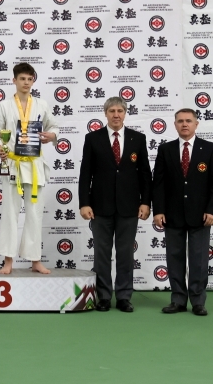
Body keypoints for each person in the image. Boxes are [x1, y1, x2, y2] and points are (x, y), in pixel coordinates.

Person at [78, 97, 151, 312]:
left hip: (129, 206)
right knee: (101, 253)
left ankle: (124, 297)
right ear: (105, 113)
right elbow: (85, 174)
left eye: (120, 110)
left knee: (125, 253)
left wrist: (145, 202)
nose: (116, 115)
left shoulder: (138, 138)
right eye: (112, 111)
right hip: (100, 206)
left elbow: (145, 174)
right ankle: (103, 296)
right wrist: (84, 203)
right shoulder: (93, 138)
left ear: (125, 113)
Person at [0, 62, 58, 274]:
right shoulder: (4, 106)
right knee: (9, 213)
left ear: (33, 81)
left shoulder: (41, 105)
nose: (26, 83)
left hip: (35, 164)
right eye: (22, 79)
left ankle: (35, 259)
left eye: (30, 79)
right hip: (13, 164)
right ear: (14, 80)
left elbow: (54, 127)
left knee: (35, 214)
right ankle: (8, 260)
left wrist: (51, 136)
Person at [153, 109, 213, 316]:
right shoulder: (166, 149)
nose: (184, 124)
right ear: (175, 124)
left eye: (188, 121)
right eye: (180, 121)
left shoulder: (209, 149)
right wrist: (158, 211)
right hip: (172, 214)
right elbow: (158, 183)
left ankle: (198, 301)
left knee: (199, 259)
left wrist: (211, 210)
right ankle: (178, 299)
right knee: (174, 258)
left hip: (201, 215)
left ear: (196, 124)